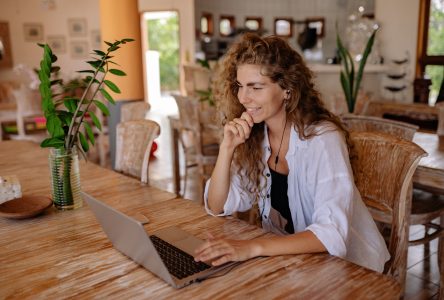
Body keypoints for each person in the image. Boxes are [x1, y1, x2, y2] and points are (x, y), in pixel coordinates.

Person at [193, 33, 390, 272]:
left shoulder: (322, 139)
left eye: (255, 87)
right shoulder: (256, 135)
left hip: (349, 269)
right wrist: (227, 149)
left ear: (287, 88)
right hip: (293, 262)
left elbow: (331, 234)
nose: (243, 98)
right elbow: (217, 206)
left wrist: (254, 247)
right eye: (240, 86)